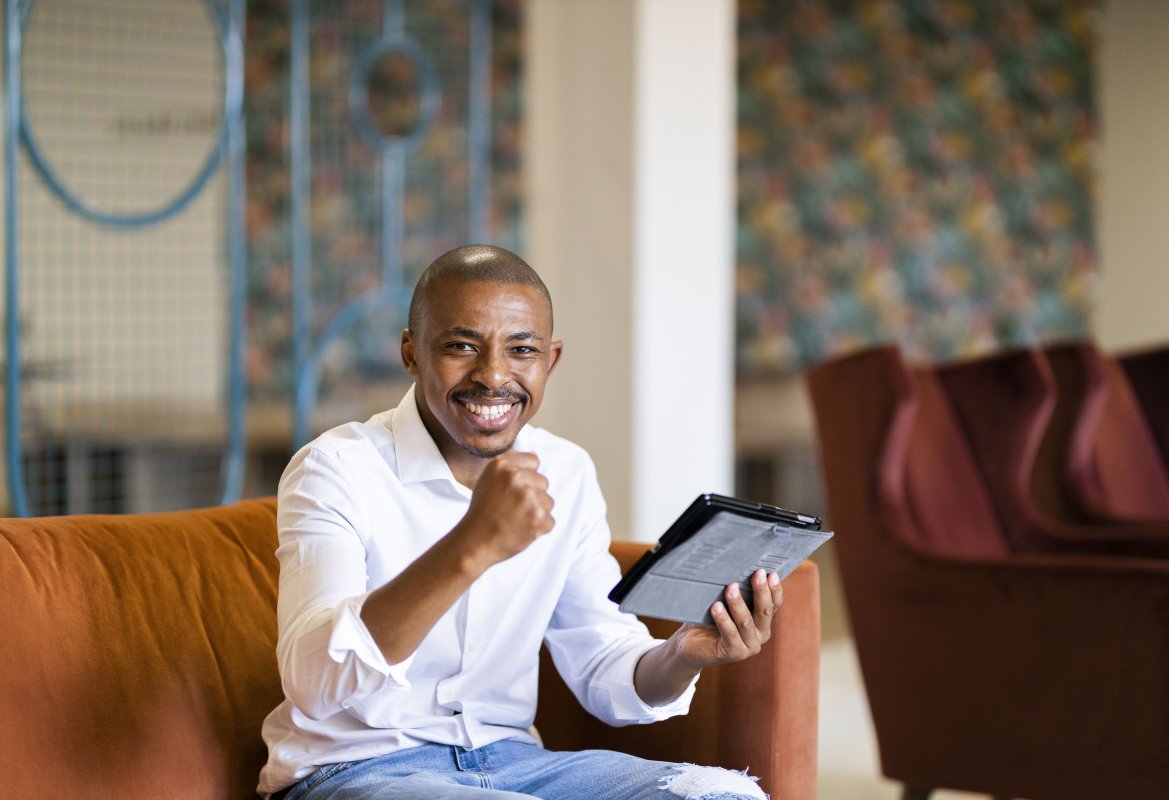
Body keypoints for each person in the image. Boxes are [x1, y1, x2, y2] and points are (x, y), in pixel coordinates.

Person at [258, 244, 783, 800]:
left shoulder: (565, 470)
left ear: (550, 360)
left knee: (726, 797)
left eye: (521, 350)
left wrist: (679, 656)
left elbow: (601, 654)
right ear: (411, 354)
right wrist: (472, 545)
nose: (493, 376)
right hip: (357, 769)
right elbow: (315, 682)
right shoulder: (335, 468)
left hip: (515, 765)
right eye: (462, 346)